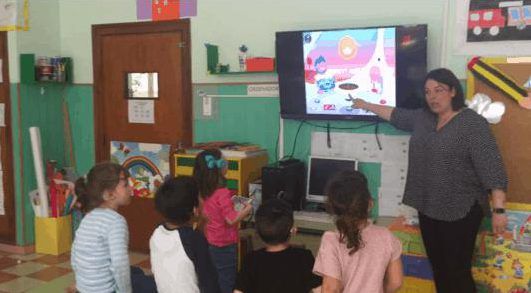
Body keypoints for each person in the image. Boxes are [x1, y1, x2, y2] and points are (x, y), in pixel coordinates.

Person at [352, 68, 508, 293]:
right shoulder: (423, 118)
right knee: (439, 268)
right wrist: (365, 104)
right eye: (427, 92)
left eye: (439, 90)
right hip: (428, 206)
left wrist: (499, 209)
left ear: (453, 91)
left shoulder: (472, 123)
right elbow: (395, 114)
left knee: (457, 271)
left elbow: (491, 166)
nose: (432, 96)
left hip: (461, 209)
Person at [314, 170, 403, 293]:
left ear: (333, 208)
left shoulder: (331, 239)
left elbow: (331, 288)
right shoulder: (387, 236)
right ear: (370, 204)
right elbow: (396, 282)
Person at [193, 149, 253, 293]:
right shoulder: (222, 192)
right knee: (226, 279)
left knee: (211, 277)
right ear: (221, 167)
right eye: (226, 161)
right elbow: (230, 219)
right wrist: (247, 209)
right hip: (224, 243)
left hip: (209, 240)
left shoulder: (202, 189)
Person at [234, 199, 322, 293]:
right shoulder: (304, 257)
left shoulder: (251, 260)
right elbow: (320, 290)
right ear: (292, 231)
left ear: (258, 233)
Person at [150, 176, 221, 293]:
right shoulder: (194, 240)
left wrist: (200, 224)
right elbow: (209, 282)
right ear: (194, 209)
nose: (203, 200)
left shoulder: (157, 232)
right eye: (200, 197)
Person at [71, 162, 133, 293]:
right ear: (108, 194)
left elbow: (75, 253)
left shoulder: (88, 217)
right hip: (105, 290)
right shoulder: (116, 222)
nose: (130, 188)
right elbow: (119, 264)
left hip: (84, 288)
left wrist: (80, 283)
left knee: (136, 273)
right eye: (125, 184)